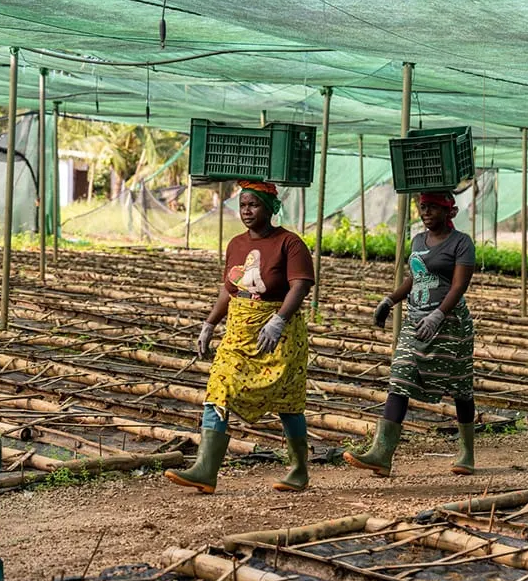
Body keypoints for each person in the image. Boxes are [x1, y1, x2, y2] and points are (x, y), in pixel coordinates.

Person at [165, 180, 314, 494]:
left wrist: (278, 321)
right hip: (239, 332)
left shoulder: (290, 243)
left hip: (278, 334)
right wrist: (209, 324)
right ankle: (206, 469)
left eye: (254, 205)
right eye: (243, 205)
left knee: (288, 402)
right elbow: (228, 289)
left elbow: (300, 285)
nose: (247, 211)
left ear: (269, 207)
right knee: (219, 385)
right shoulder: (236, 244)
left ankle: (299, 469)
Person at [344, 190, 477, 477]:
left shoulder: (461, 243)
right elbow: (414, 278)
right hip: (416, 321)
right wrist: (389, 300)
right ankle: (382, 452)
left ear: (448, 211)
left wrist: (438, 314)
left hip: (451, 325)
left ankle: (467, 451)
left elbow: (458, 287)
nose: (425, 212)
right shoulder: (418, 240)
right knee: (400, 376)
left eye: (432, 207)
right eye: (422, 207)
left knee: (460, 386)